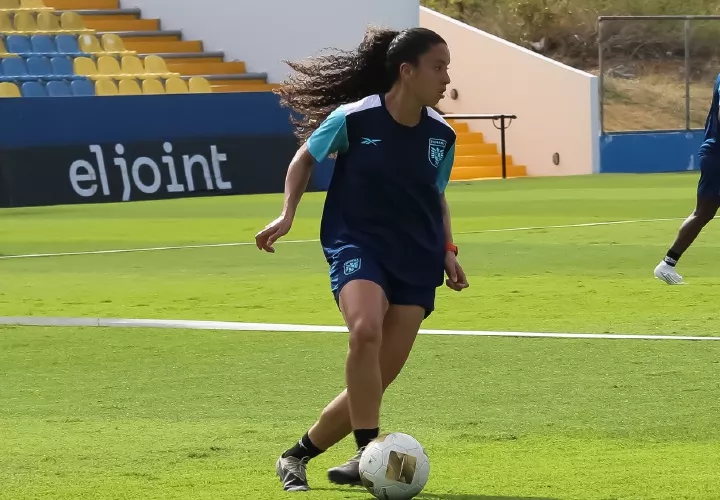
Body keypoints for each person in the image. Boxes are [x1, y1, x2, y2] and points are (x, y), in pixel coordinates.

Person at [255, 26, 469, 492]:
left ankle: (295, 455)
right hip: (358, 244)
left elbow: (436, 197)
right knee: (366, 330)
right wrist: (287, 214)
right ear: (406, 71)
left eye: (447, 68)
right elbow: (304, 158)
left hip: (417, 256)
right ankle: (366, 448)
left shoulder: (442, 134)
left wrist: (449, 251)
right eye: (438, 67)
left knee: (377, 376)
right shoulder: (354, 118)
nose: (446, 78)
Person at [655, 73, 720, 285]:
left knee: (704, 213)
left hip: (713, 153)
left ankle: (667, 264)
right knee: (702, 212)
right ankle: (667, 264)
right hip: (717, 154)